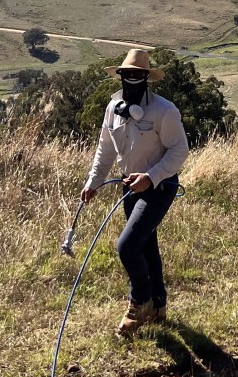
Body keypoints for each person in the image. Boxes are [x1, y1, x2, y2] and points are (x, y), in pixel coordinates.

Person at [80, 45, 189, 337]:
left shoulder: (164, 111)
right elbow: (104, 150)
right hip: (128, 186)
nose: (132, 79)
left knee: (127, 246)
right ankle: (159, 307)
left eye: (138, 74)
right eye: (127, 74)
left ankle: (139, 303)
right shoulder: (111, 109)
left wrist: (151, 177)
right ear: (120, 76)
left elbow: (180, 150)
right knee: (145, 245)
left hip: (159, 186)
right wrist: (94, 181)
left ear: (147, 77)